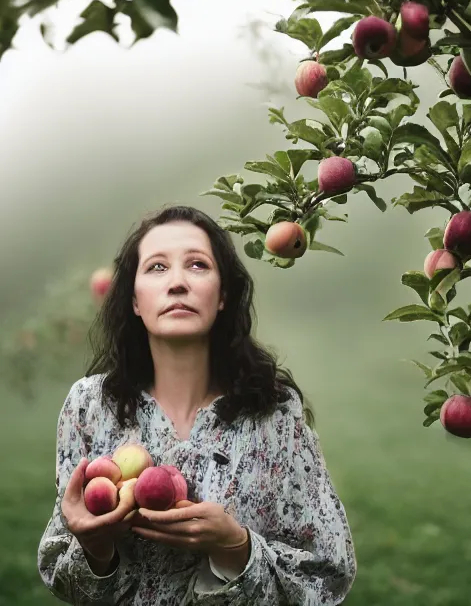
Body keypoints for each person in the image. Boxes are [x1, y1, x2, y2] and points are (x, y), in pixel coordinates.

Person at [37, 204, 357, 605]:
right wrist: (95, 546)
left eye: (197, 265)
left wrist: (235, 548)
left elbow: (328, 573)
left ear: (222, 295)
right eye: (156, 267)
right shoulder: (89, 406)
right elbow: (64, 578)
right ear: (134, 300)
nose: (177, 283)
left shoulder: (275, 415)